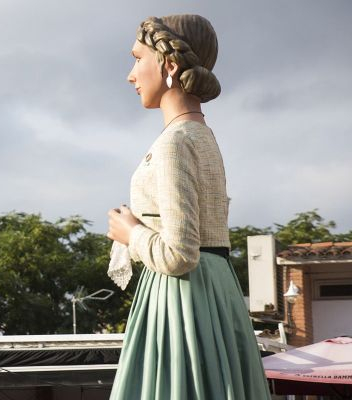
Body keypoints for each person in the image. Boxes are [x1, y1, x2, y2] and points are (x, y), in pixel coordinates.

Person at [106, 15, 271, 399]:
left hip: (180, 299)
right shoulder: (203, 137)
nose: (131, 75)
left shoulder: (173, 143)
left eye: (136, 58)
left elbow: (179, 253)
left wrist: (131, 233)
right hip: (217, 292)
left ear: (169, 64)